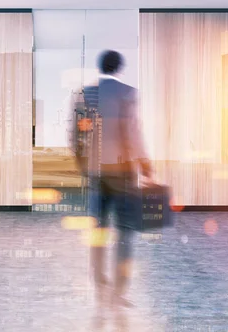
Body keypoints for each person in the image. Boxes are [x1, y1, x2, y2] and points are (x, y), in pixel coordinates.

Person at [70, 50, 152, 309]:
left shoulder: (85, 94)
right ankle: (119, 290)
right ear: (119, 67)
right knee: (125, 232)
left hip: (96, 173)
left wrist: (83, 164)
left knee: (98, 230)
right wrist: (145, 164)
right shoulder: (127, 93)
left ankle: (99, 283)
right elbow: (133, 132)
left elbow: (76, 135)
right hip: (123, 174)